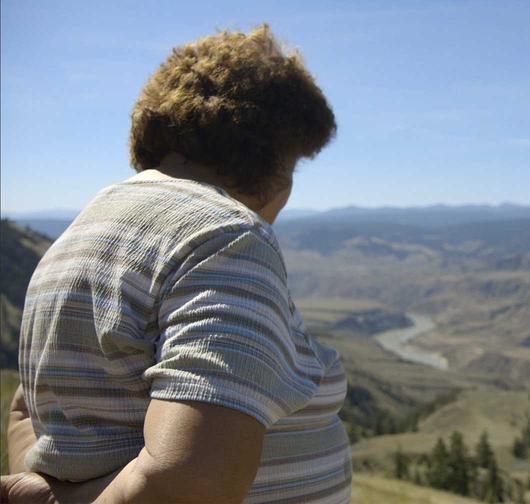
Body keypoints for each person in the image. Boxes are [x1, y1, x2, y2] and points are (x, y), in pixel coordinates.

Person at [2, 24, 351, 503]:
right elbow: (190, 481)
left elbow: (39, 425)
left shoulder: (74, 240)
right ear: (278, 160)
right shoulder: (225, 235)